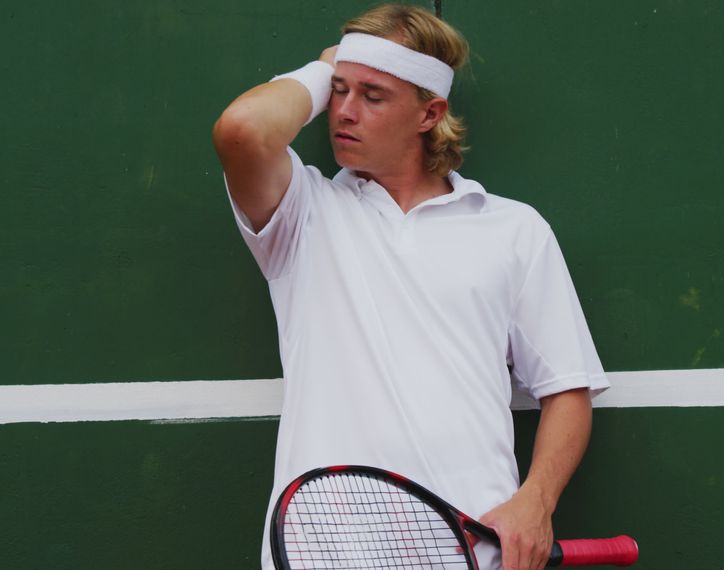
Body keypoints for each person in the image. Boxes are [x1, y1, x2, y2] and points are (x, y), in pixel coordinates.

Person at [211, 4, 609, 569]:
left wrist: (535, 502)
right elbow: (242, 131)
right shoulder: (303, 212)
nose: (344, 112)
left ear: (429, 113)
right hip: (324, 557)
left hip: (471, 555)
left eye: (373, 96)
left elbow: (567, 390)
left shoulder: (514, 229)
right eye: (339, 93)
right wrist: (327, 68)